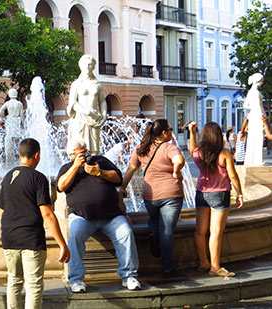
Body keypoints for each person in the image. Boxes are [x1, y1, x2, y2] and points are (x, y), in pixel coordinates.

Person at [58, 139, 140, 293]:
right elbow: (61, 186)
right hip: (82, 216)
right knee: (74, 235)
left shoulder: (101, 161)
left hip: (111, 215)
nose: (85, 155)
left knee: (126, 233)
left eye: (85, 151)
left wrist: (100, 172)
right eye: (80, 153)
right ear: (71, 155)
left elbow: (118, 178)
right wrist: (76, 167)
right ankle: (76, 279)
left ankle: (129, 276)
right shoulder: (66, 168)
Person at [0, 138, 70, 309]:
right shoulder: (38, 178)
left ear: (20, 154)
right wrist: (62, 244)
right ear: (37, 155)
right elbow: (47, 213)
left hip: (9, 238)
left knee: (14, 281)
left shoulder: (7, 176)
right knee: (33, 285)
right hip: (31, 239)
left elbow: (2, 211)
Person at [120, 119, 185, 276]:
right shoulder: (169, 147)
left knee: (154, 220)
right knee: (167, 231)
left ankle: (153, 235)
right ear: (164, 133)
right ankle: (167, 266)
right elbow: (180, 160)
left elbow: (131, 169)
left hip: (150, 195)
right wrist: (176, 170)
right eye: (170, 129)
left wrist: (122, 187)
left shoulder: (141, 148)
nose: (171, 132)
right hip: (171, 194)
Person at [188, 121, 243, 278]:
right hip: (220, 194)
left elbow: (192, 150)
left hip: (201, 193)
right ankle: (215, 267)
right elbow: (233, 175)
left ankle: (204, 263)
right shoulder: (224, 153)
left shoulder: (199, 152)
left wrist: (192, 132)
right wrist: (239, 194)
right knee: (216, 232)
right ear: (218, 136)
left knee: (200, 231)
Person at [67, 54, 107, 155]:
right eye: (86, 65)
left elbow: (102, 101)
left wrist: (104, 115)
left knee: (94, 150)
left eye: (91, 65)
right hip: (80, 119)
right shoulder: (76, 84)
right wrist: (87, 111)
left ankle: (92, 168)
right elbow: (72, 103)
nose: (88, 67)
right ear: (81, 66)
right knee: (78, 149)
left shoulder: (97, 85)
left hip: (94, 120)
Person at [244, 72, 265, 166]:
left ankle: (250, 160)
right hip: (257, 117)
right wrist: (263, 119)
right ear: (258, 81)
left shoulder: (250, 92)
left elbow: (246, 105)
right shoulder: (256, 93)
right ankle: (258, 160)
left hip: (252, 117)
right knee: (258, 138)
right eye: (262, 81)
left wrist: (251, 109)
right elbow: (259, 108)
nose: (263, 83)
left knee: (252, 138)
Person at [0, 88, 24, 165]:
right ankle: (19, 159)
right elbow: (22, 115)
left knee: (9, 140)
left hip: (10, 121)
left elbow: (0, 111)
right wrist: (23, 123)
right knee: (18, 140)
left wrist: (5, 117)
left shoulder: (7, 103)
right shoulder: (19, 104)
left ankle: (9, 162)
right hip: (17, 121)